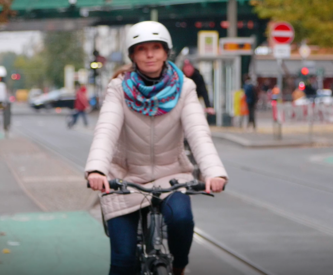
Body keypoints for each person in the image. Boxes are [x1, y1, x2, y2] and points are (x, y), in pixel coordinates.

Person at [85, 21, 228, 275]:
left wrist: (213, 172)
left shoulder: (185, 88)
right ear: (133, 55)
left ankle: (179, 267)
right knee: (123, 260)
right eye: (142, 49)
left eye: (156, 48)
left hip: (171, 177)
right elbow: (105, 131)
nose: (149, 55)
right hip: (124, 179)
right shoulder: (118, 89)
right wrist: (97, 170)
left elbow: (199, 134)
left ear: (166, 52)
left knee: (182, 220)